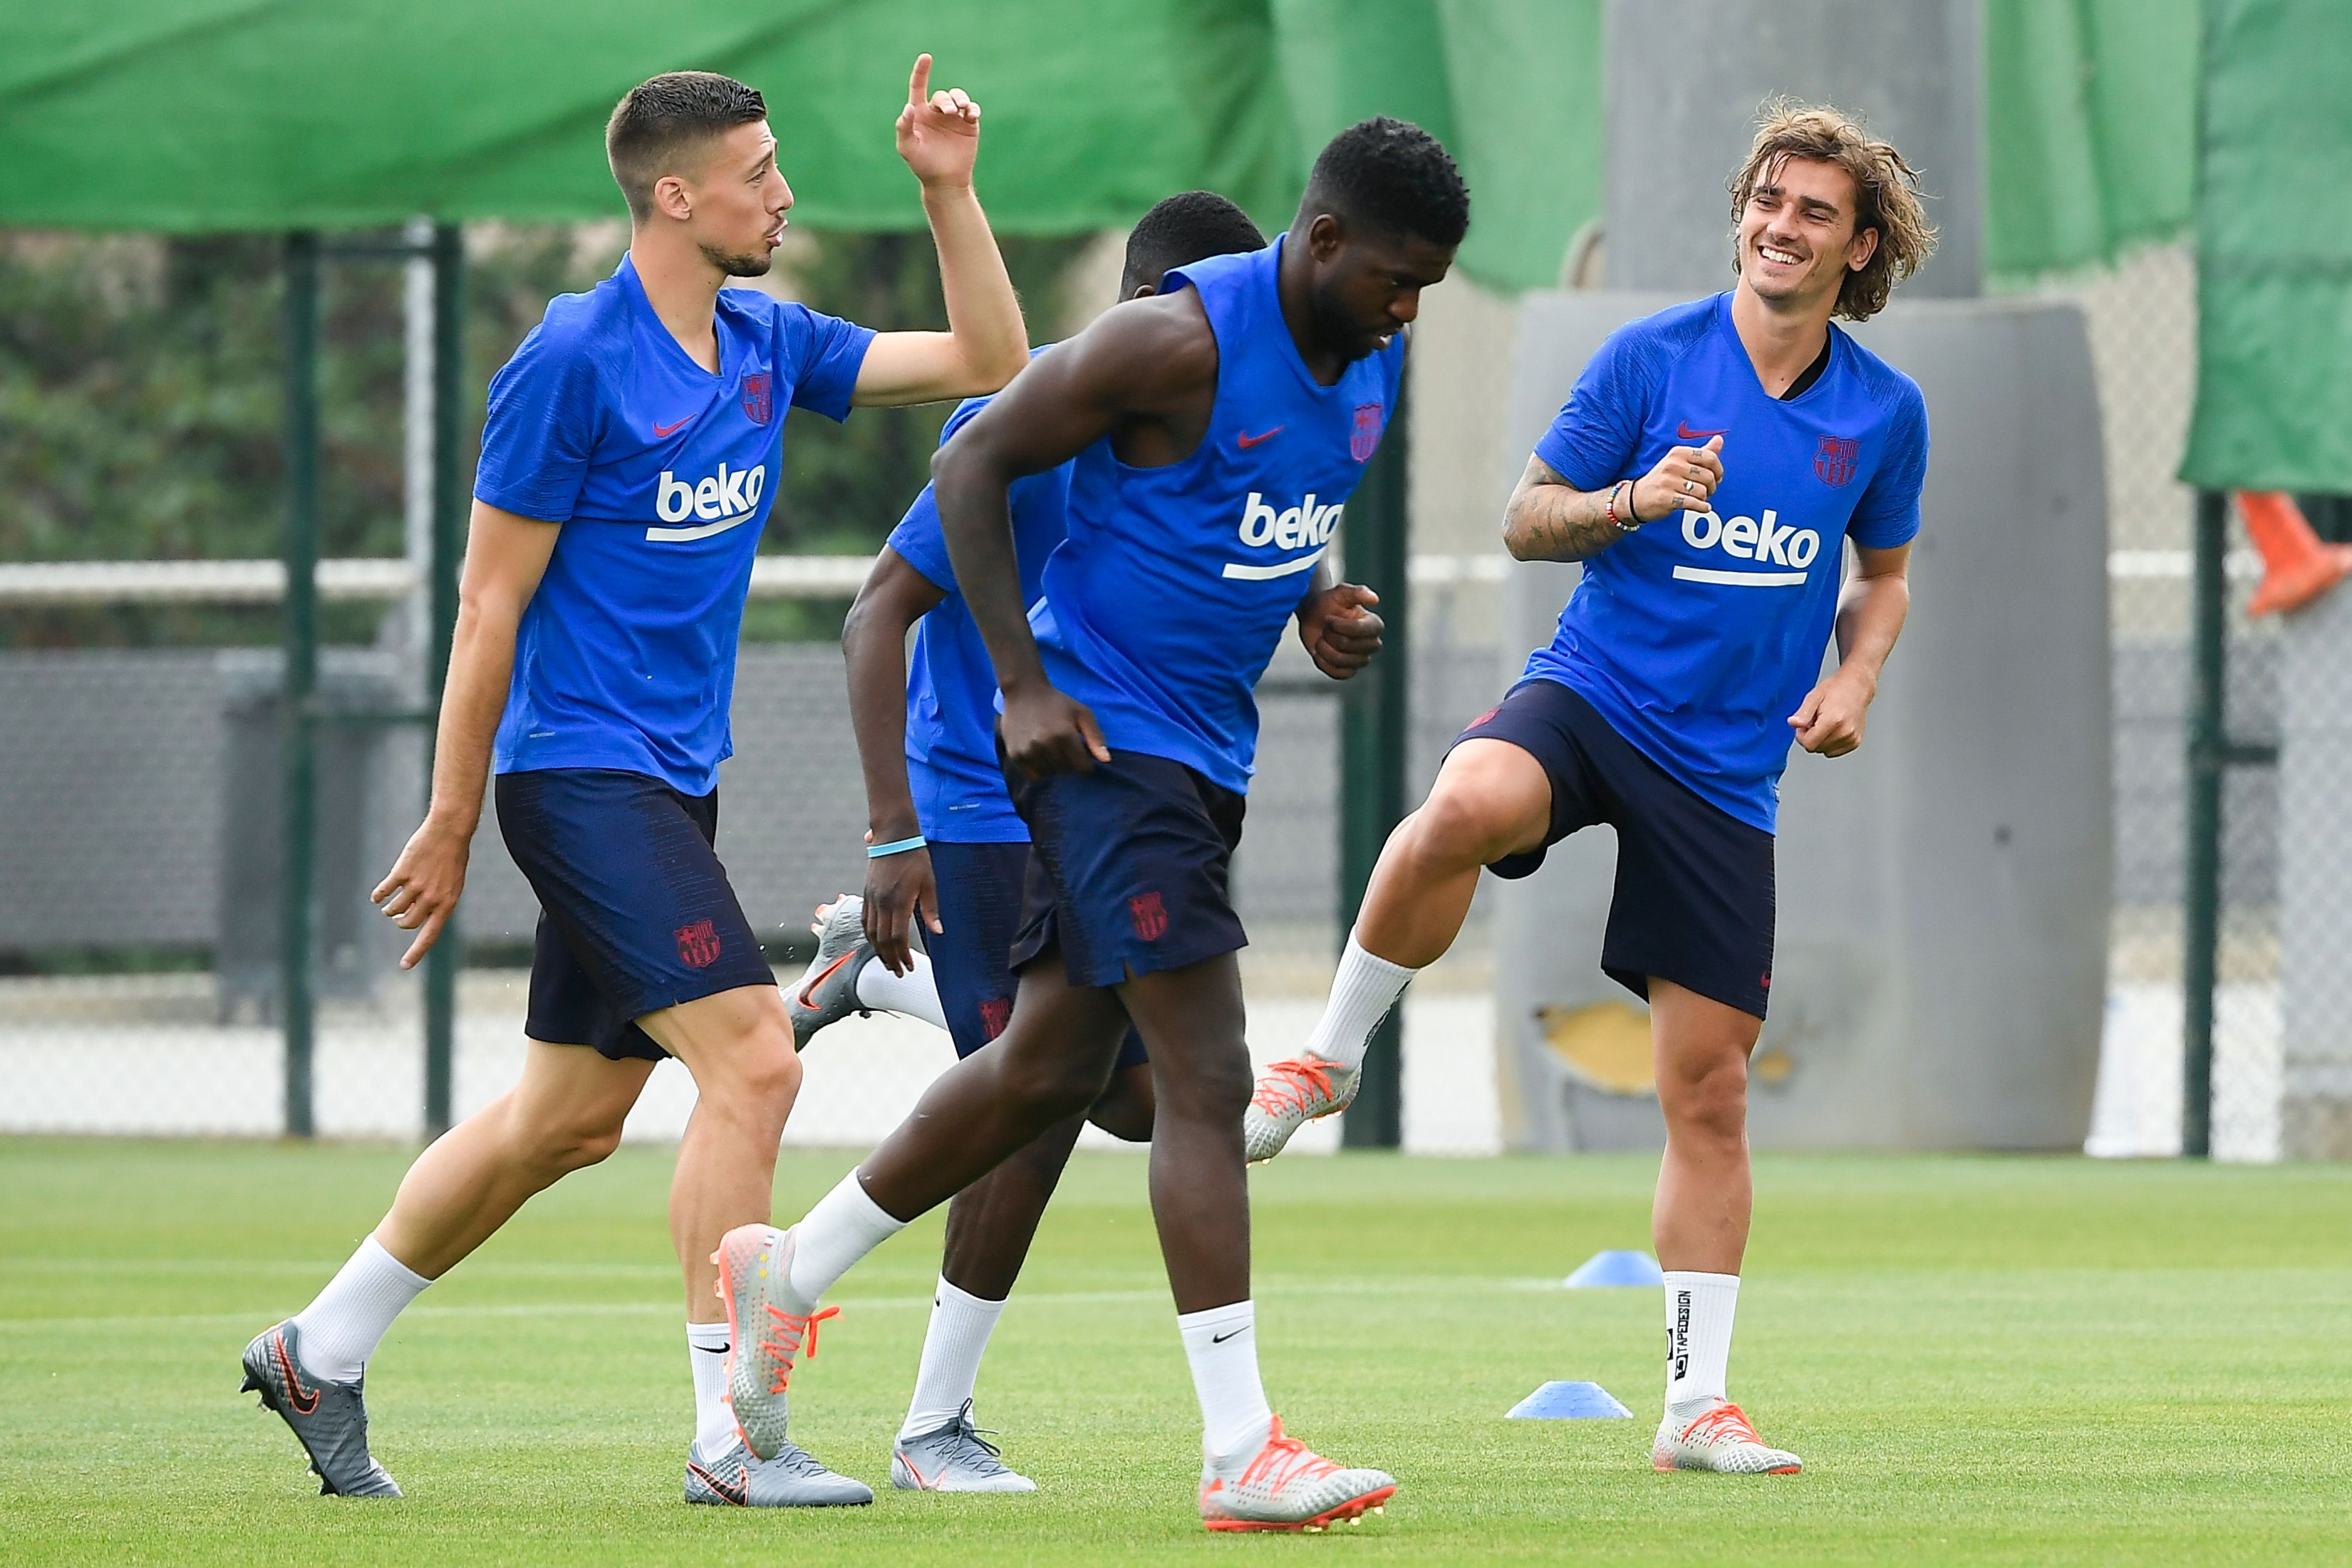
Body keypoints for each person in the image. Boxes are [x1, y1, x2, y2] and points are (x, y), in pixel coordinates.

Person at [238, 60, 1030, 1509]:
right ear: (678, 196)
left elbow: (987, 357)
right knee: (756, 1061)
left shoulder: (766, 341)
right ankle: (730, 1441)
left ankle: (318, 1349)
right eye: (758, 172)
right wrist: (453, 813)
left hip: (668, 785)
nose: (783, 193)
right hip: (574, 776)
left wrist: (948, 189)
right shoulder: (571, 360)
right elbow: (488, 608)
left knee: (570, 1120)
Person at [706, 117, 1464, 1532]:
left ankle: (787, 1273)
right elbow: (967, 471)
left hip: (1195, 755)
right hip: (1109, 749)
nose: (1407, 310)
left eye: (1428, 286)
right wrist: (1021, 685)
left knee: (1046, 1068)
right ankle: (1240, 1447)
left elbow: (1245, 505)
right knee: (1204, 1072)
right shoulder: (1167, 347)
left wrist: (1315, 602)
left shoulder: (1369, 357)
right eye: (1392, 280)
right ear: (1319, 244)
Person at [1243, 101, 1936, 1477]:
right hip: (1596, 699)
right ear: (1740, 212)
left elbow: (1884, 581)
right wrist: (1631, 501)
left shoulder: (1881, 412)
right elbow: (1522, 517)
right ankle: (1327, 1053)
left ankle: (1694, 1407)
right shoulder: (1648, 359)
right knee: (1461, 803)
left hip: (1727, 769)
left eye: (1813, 213)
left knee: (1708, 1091)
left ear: (1858, 250)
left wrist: (1854, 680)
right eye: (1767, 200)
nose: (1780, 226)